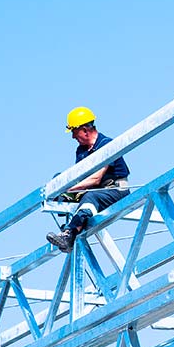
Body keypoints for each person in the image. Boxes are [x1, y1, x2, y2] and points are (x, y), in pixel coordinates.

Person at [46, 106, 131, 253]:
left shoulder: (106, 145)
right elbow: (79, 178)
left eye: (74, 131)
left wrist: (68, 190)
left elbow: (96, 179)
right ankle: (72, 227)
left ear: (85, 129)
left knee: (90, 197)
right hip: (94, 191)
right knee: (59, 180)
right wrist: (61, 190)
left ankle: (70, 233)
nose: (73, 137)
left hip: (115, 191)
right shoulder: (82, 151)